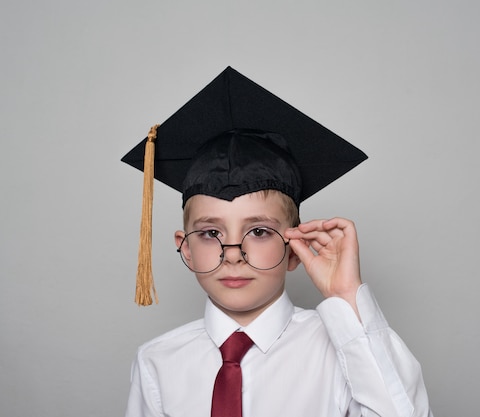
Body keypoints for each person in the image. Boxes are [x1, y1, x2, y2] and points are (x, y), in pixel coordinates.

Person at [121, 67, 434, 417]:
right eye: (211, 233)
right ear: (186, 248)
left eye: (259, 232)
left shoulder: (346, 349)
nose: (234, 256)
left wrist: (346, 297)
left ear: (294, 249)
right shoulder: (157, 362)